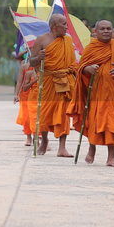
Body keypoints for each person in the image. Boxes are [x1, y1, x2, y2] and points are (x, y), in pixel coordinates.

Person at [76, 20, 114, 166]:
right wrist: (87, 69)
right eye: (102, 29)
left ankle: (111, 158)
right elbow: (81, 67)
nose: (106, 31)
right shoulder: (91, 48)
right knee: (95, 121)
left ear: (113, 31)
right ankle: (91, 148)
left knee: (113, 124)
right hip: (96, 92)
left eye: (109, 29)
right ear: (96, 31)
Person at [32, 14, 78, 157]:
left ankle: (62, 147)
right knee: (45, 113)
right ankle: (44, 140)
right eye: (64, 24)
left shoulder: (68, 40)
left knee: (64, 114)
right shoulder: (42, 40)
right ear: (54, 26)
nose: (66, 27)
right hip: (48, 81)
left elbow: (72, 63)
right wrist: (39, 58)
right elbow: (32, 62)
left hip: (64, 80)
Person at [13, 51, 38, 146]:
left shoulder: (43, 64)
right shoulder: (24, 65)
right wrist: (16, 94)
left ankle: (40, 139)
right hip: (25, 94)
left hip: (38, 94)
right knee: (27, 117)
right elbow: (19, 81)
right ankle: (28, 137)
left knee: (38, 116)